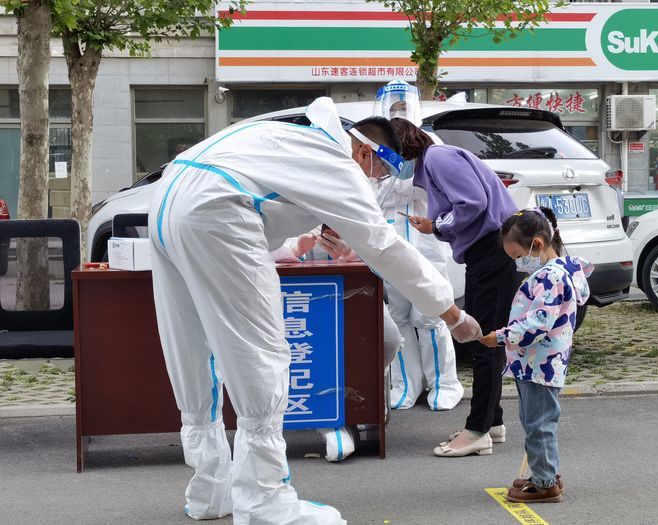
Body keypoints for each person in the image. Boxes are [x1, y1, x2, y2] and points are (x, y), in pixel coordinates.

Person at [147, 97, 482, 524]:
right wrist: (450, 312)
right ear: (365, 151)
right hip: (218, 211)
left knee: (191, 348)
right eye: (382, 170)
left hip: (168, 200)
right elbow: (380, 244)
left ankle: (212, 489)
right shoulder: (335, 161)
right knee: (260, 356)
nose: (378, 181)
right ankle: (264, 502)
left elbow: (270, 207)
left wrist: (293, 244)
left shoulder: (292, 138)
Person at [390, 117, 520, 458]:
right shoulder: (434, 163)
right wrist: (437, 226)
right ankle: (492, 421)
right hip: (488, 251)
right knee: (484, 338)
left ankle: (477, 430)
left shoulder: (437, 158)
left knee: (485, 341)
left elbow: (472, 203)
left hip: (492, 248)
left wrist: (438, 225)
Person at [480, 207, 593, 503]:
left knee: (538, 424)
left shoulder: (550, 278)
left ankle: (545, 483)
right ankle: (545, 472)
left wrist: (502, 337)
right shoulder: (560, 272)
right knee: (537, 422)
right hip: (537, 363)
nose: (518, 262)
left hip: (539, 365)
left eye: (518, 255)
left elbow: (539, 321)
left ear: (537, 245)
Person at [272, 226, 403, 462]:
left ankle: (367, 398)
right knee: (310, 346)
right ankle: (329, 421)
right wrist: (294, 249)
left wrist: (352, 253)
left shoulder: (356, 193)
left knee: (388, 338)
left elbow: (386, 251)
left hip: (358, 290)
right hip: (295, 297)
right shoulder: (283, 197)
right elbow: (261, 247)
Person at [372, 80, 464, 411]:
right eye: (392, 106)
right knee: (397, 317)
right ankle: (404, 384)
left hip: (426, 243)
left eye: (402, 105)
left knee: (430, 314)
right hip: (391, 242)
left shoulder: (430, 144)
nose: (398, 110)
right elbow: (372, 190)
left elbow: (428, 188)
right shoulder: (377, 145)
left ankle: (444, 382)